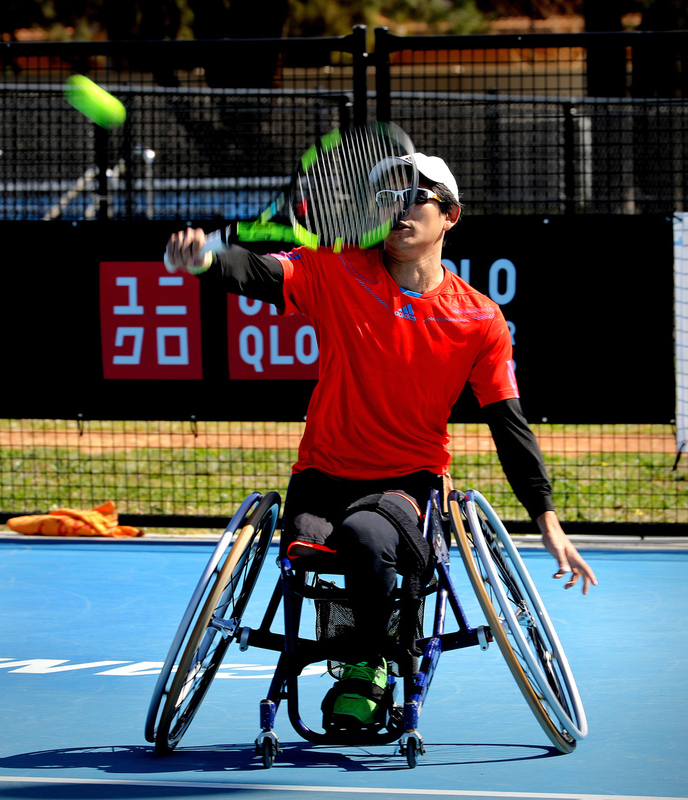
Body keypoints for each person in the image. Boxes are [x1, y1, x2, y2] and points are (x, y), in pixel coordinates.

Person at [165, 152, 596, 728]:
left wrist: (547, 519)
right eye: (387, 197)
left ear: (450, 216)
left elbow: (508, 423)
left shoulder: (479, 320)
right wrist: (207, 261)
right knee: (310, 547)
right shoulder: (338, 269)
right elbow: (262, 274)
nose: (399, 207)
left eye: (417, 196)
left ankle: (368, 665)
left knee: (364, 537)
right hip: (321, 479)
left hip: (408, 484)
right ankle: (354, 655)